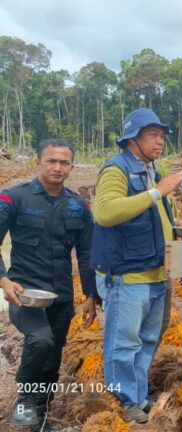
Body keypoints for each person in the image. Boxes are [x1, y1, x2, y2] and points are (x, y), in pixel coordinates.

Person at [91, 108, 182, 422]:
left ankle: (137, 393)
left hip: (157, 273)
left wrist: (180, 243)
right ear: (133, 138)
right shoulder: (116, 170)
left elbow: (158, 215)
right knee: (123, 343)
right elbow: (105, 212)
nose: (160, 142)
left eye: (161, 136)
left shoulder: (151, 172)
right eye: (152, 136)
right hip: (127, 276)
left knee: (148, 339)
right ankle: (125, 400)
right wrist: (157, 191)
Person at [1, 139, 97, 429]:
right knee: (40, 340)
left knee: (53, 358)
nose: (57, 167)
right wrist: (4, 280)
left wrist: (91, 295)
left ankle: (40, 419)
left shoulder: (76, 205)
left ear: (71, 166)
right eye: (51, 161)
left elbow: (87, 252)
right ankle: (26, 400)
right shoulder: (14, 198)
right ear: (38, 163)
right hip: (24, 293)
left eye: (64, 162)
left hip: (61, 296)